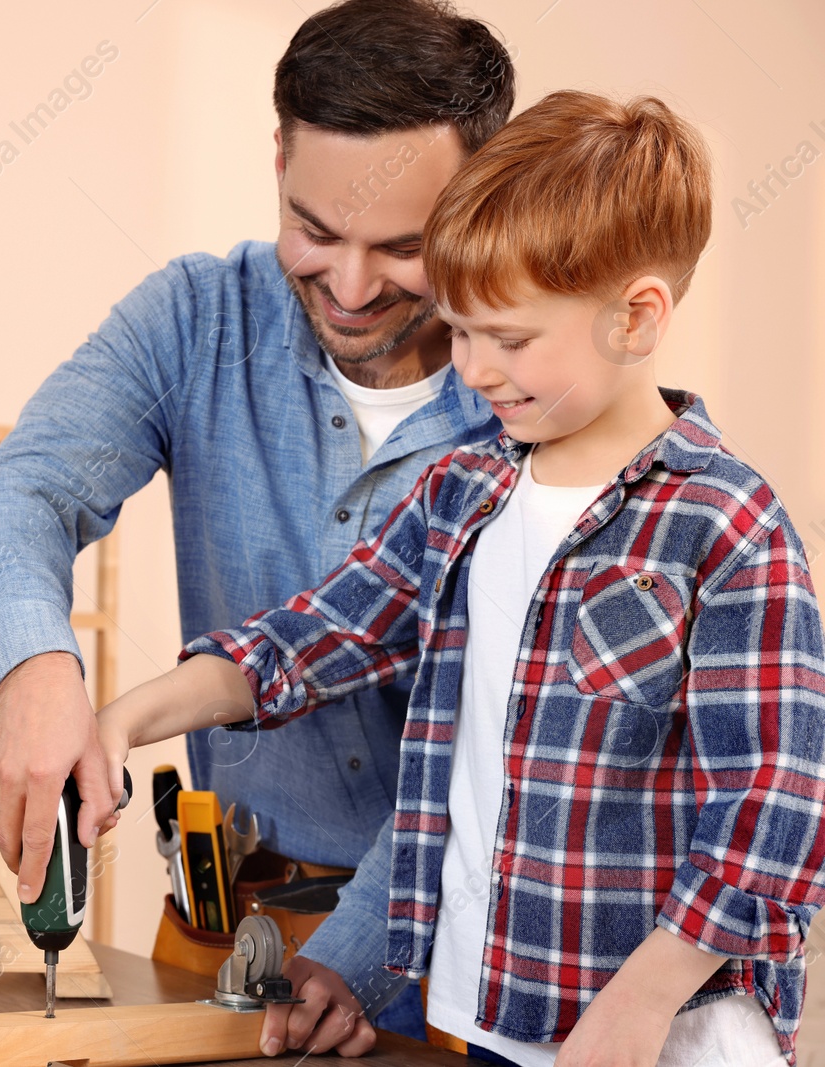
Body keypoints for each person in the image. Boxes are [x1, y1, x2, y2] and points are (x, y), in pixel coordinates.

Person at [93, 89, 825, 1065]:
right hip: (496, 1017)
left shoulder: (724, 525)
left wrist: (639, 1001)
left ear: (635, 317)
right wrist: (123, 719)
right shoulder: (458, 497)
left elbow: (774, 803)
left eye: (509, 338)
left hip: (669, 1032)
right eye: (459, 330)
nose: (473, 369)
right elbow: (313, 640)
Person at [0, 0, 514, 1048]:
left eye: (399, 247)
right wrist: (33, 668)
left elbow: (496, 758)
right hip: (224, 934)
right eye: (314, 228)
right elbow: (13, 495)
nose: (347, 287)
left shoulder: (534, 405)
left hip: (457, 972)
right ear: (279, 157)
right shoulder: (193, 318)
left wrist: (354, 948)